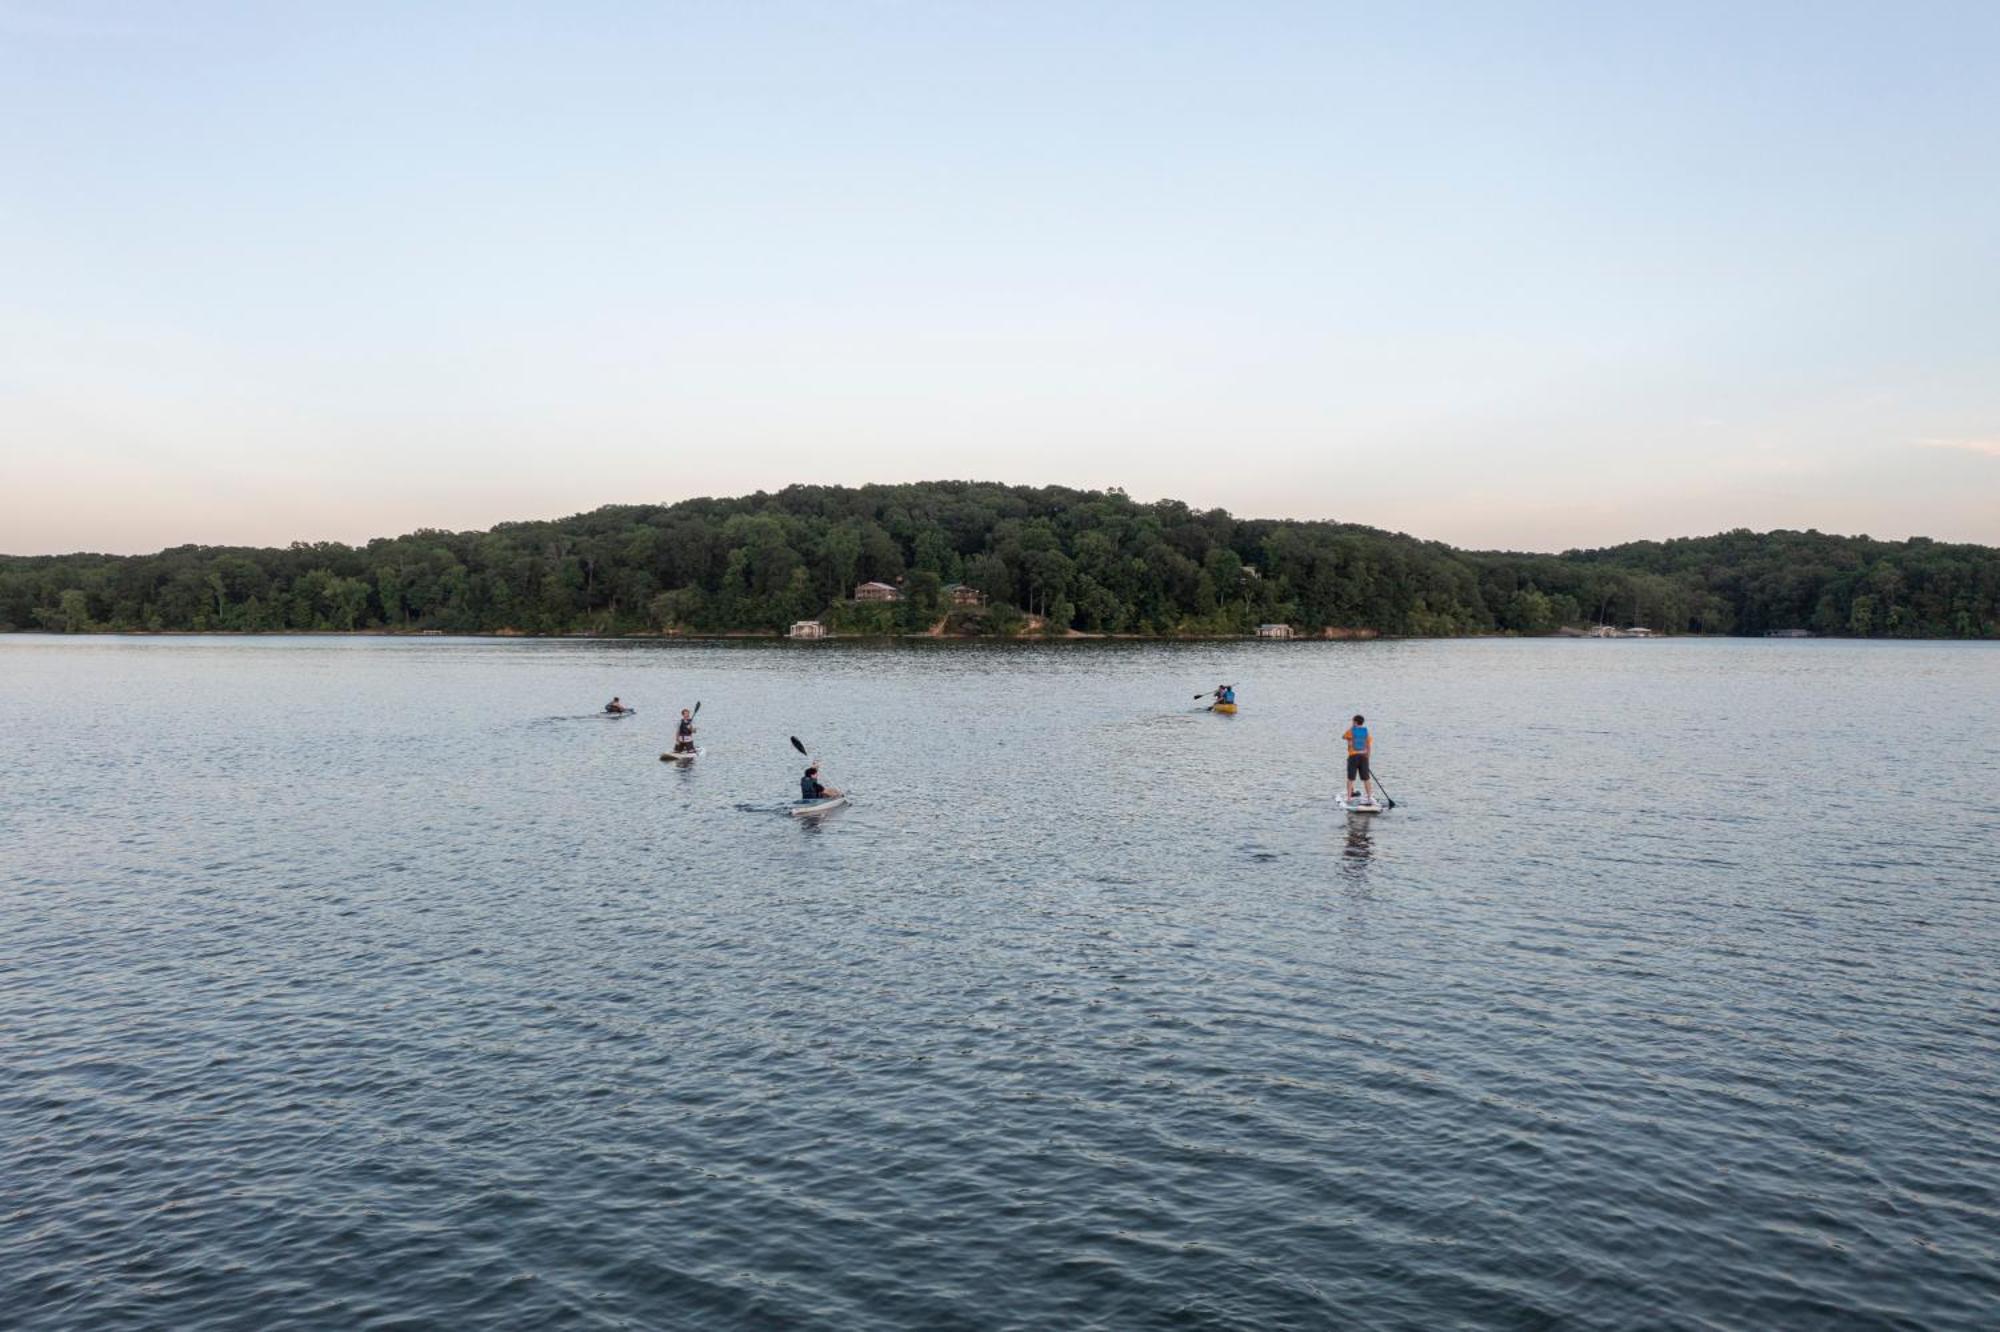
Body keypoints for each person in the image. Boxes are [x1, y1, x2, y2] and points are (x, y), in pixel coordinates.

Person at [1343, 713, 1374, 802]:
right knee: (1366, 778)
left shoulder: (1351, 731)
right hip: (1364, 756)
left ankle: (1349, 797)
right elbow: (1368, 745)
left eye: (1352, 721)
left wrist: (1352, 729)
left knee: (1350, 778)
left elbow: (1344, 737)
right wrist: (1368, 756)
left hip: (1353, 756)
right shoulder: (1366, 732)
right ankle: (1369, 797)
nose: (1352, 722)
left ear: (1355, 722)